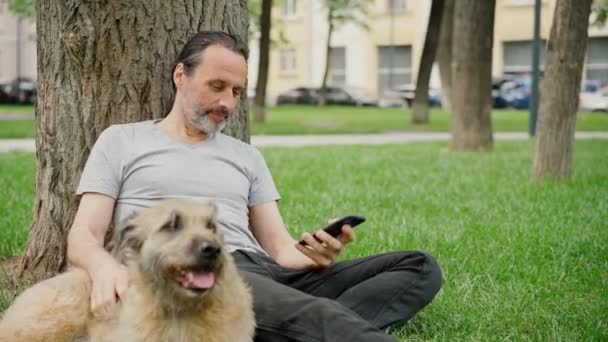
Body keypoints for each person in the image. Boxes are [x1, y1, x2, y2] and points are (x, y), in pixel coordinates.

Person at [66, 31, 442, 342]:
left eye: (235, 91)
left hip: (265, 272)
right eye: (216, 86)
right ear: (180, 75)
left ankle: (283, 329)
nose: (227, 102)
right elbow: (85, 233)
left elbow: (279, 249)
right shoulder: (122, 141)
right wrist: (103, 268)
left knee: (419, 267)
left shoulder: (246, 156)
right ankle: (307, 325)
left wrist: (314, 252)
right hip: (203, 266)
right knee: (316, 313)